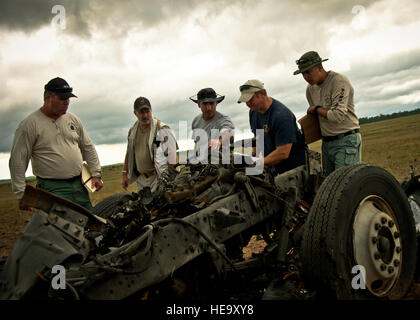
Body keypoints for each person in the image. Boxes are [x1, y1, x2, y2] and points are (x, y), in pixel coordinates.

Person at [9, 77, 103, 211]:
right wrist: (21, 193)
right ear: (48, 98)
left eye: (68, 98)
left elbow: (88, 147)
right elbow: (18, 160)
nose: (67, 102)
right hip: (52, 188)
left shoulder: (73, 119)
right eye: (62, 98)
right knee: (58, 227)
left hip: (79, 184)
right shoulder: (30, 124)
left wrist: (96, 174)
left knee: (88, 224)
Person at [294, 51, 362, 175]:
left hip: (346, 139)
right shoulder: (310, 89)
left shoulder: (339, 81)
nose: (305, 77)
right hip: (326, 143)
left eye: (308, 72)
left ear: (319, 67)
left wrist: (315, 109)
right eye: (303, 74)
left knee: (343, 186)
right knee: (329, 186)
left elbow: (337, 115)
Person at [237, 79, 307, 174]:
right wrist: (253, 154)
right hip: (272, 167)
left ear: (262, 93)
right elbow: (258, 137)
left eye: (250, 99)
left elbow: (283, 153)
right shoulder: (254, 112)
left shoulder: (281, 116)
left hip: (293, 170)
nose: (248, 104)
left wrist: (256, 163)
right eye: (245, 101)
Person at [122, 96, 178, 193]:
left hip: (158, 177)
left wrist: (170, 179)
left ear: (151, 110)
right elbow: (129, 153)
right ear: (135, 113)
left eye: (147, 111)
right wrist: (124, 174)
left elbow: (173, 156)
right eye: (141, 112)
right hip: (141, 179)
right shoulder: (132, 132)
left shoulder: (162, 129)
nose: (145, 115)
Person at [189, 88, 235, 163]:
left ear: (216, 103)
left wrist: (219, 140)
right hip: (202, 162)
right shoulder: (196, 121)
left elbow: (227, 132)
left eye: (211, 103)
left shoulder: (224, 120)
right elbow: (196, 143)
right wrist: (194, 157)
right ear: (199, 104)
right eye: (204, 104)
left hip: (222, 161)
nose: (209, 108)